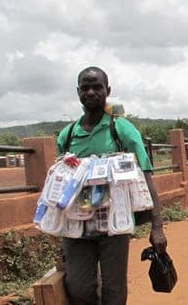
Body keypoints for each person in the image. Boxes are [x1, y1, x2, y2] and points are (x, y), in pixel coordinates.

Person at [56, 66, 167, 305]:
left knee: (114, 290)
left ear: (108, 90)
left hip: (114, 223)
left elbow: (146, 175)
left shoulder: (121, 129)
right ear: (78, 92)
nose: (91, 92)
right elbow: (61, 183)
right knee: (79, 288)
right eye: (85, 88)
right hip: (77, 224)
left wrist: (157, 227)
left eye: (97, 87)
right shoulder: (67, 136)